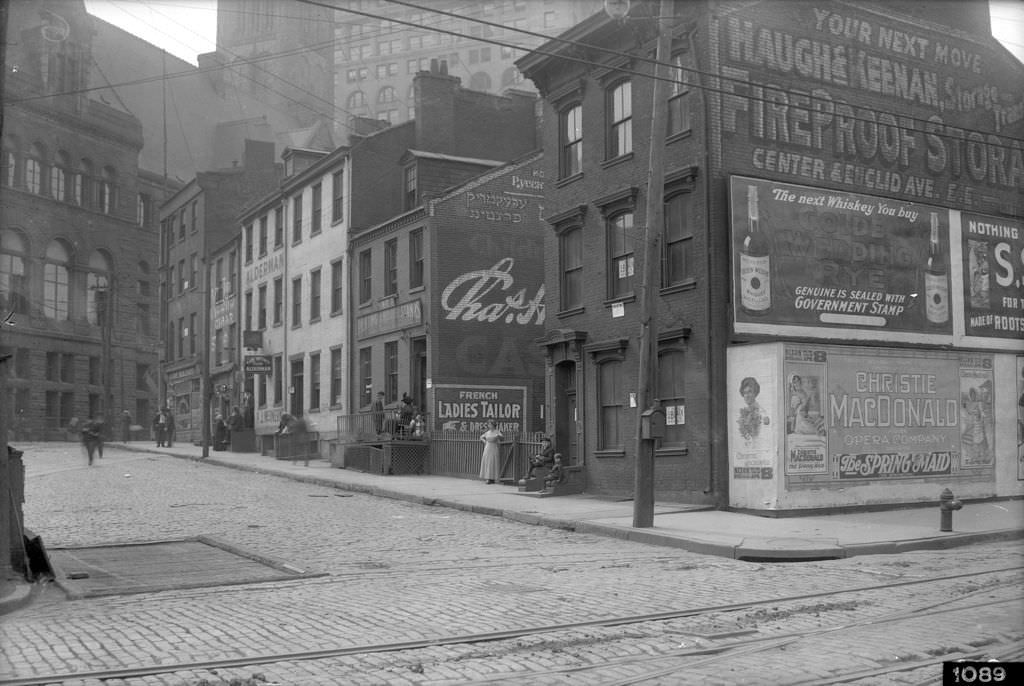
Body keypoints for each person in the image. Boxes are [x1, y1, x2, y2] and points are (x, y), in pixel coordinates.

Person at [737, 377, 769, 442]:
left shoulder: (761, 412)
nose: (747, 395)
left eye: (749, 392)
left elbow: (763, 436)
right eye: (745, 393)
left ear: (755, 393)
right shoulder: (743, 413)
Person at [479, 419, 503, 484]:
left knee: (493, 462)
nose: (489, 425)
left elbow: (501, 437)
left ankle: (493, 478)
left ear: (493, 425)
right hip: (487, 447)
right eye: (488, 424)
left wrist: (498, 436)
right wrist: (485, 442)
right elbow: (481, 437)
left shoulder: (497, 431)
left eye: (490, 424)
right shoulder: (488, 432)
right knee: (487, 462)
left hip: (494, 447)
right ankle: (488, 478)